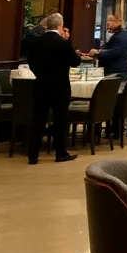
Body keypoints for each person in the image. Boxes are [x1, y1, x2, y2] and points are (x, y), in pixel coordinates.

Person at [25, 12, 82, 164]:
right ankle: (61, 153)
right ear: (59, 26)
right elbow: (75, 62)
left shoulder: (36, 42)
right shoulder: (62, 43)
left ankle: (33, 155)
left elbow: (31, 62)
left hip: (41, 85)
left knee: (38, 119)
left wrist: (40, 74)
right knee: (60, 120)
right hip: (60, 86)